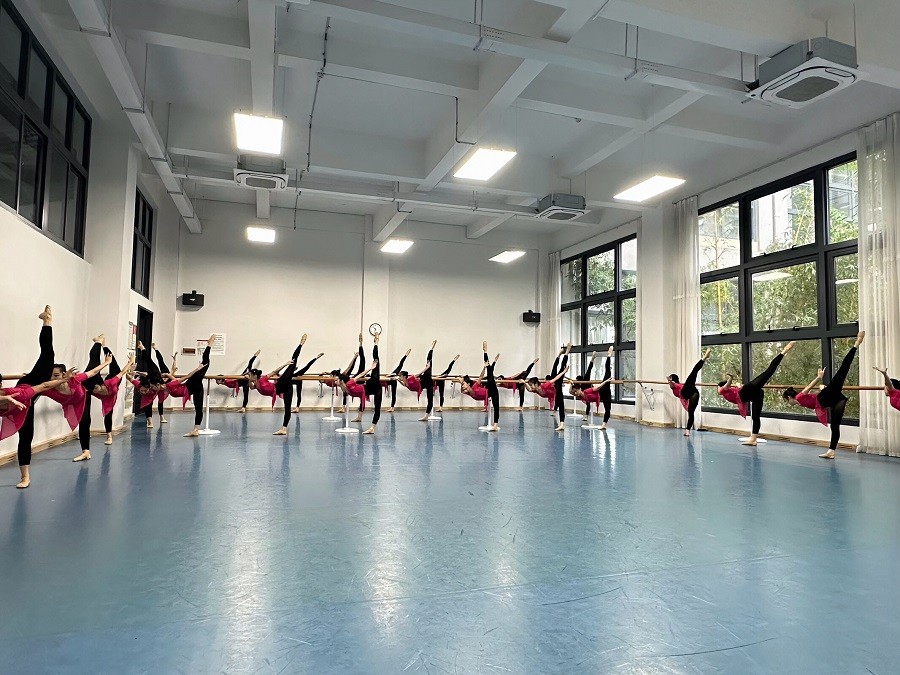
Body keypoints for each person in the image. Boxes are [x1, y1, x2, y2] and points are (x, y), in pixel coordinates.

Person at [783, 332, 864, 459]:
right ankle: (831, 451)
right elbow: (813, 397)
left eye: (786, 401)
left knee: (843, 370)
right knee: (835, 426)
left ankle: (856, 343)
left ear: (789, 398)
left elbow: (809, 388)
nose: (788, 404)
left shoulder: (799, 397)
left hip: (826, 396)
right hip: (835, 399)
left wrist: (819, 378)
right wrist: (822, 388)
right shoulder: (800, 401)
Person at [6, 306, 60, 488]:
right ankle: (25, 477)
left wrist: (61, 380)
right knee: (25, 438)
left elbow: (43, 385)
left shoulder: (23, 395)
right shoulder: (12, 403)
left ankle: (47, 321)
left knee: (48, 354)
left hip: (29, 385)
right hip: (26, 390)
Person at [46, 336, 113, 462]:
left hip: (86, 387)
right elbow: (32, 390)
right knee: (84, 421)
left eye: (56, 375)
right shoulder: (48, 389)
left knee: (93, 361)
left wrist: (106, 363)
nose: (52, 379)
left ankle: (98, 342)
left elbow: (93, 372)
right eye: (50, 376)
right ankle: (86, 452)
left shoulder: (74, 379)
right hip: (76, 401)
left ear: (64, 375)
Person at [717, 341, 795, 446]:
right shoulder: (722, 390)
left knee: (756, 416)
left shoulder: (731, 389)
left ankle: (753, 439)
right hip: (748, 394)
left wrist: (737, 384)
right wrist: (730, 379)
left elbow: (733, 387)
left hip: (751, 392)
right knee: (768, 372)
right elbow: (726, 386)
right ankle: (753, 439)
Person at [247, 335, 307, 435]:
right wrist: (249, 379)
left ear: (255, 375)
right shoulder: (255, 384)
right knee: (287, 409)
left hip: (281, 384)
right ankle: (284, 429)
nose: (250, 376)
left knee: (293, 362)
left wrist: (285, 364)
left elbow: (274, 372)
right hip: (286, 389)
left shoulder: (263, 378)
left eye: (251, 375)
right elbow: (251, 387)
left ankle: (301, 344)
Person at [92, 348, 136, 446]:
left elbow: (123, 372)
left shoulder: (111, 382)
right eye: (93, 389)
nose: (94, 391)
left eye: (95, 388)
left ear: (100, 385)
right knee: (108, 415)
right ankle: (109, 436)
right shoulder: (93, 391)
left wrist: (131, 362)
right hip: (107, 399)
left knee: (114, 366)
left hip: (113, 385)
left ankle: (104, 347)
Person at [668, 348, 712, 437]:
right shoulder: (674, 387)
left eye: (671, 380)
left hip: (692, 392)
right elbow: (672, 385)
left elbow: (673, 384)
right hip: (686, 393)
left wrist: (670, 381)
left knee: (694, 372)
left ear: (673, 380)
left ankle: (704, 358)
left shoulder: (678, 385)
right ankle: (687, 431)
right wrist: (670, 381)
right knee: (691, 413)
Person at [525, 344, 570, 430]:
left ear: (536, 384)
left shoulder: (545, 385)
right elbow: (529, 389)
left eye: (531, 385)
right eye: (530, 385)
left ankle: (565, 352)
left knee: (558, 368)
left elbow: (555, 378)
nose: (531, 387)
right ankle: (560, 354)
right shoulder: (535, 389)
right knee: (555, 368)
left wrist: (564, 372)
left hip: (557, 386)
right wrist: (524, 383)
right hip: (553, 387)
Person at [459, 343, 501, 431]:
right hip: (489, 393)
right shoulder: (467, 391)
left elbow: (481, 377)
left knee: (489, 373)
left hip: (491, 389)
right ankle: (489, 358)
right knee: (490, 373)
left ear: (468, 384)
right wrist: (461, 382)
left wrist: (484, 367)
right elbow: (462, 391)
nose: (464, 387)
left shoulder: (474, 386)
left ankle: (485, 352)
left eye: (464, 385)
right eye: (463, 386)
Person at [397, 340, 437, 421]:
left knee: (429, 361)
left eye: (400, 376)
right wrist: (398, 380)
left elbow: (418, 374)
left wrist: (427, 367)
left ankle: (432, 348)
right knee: (430, 400)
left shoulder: (409, 378)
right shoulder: (405, 383)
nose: (399, 377)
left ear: (404, 376)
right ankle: (426, 416)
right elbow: (404, 384)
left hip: (426, 380)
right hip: (425, 384)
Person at [360, 335, 382, 435]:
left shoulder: (375, 375)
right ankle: (359, 416)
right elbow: (362, 359)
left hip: (377, 389)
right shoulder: (367, 376)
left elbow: (376, 357)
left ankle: (372, 427)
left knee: (377, 408)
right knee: (362, 399)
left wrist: (376, 344)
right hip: (370, 388)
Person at [385, 349, 411, 413]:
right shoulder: (398, 374)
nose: (400, 374)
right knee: (399, 366)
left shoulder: (406, 381)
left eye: (400, 375)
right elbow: (401, 363)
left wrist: (397, 379)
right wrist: (406, 355)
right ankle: (392, 408)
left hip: (393, 380)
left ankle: (392, 408)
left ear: (403, 376)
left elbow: (404, 384)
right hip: (392, 378)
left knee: (394, 394)